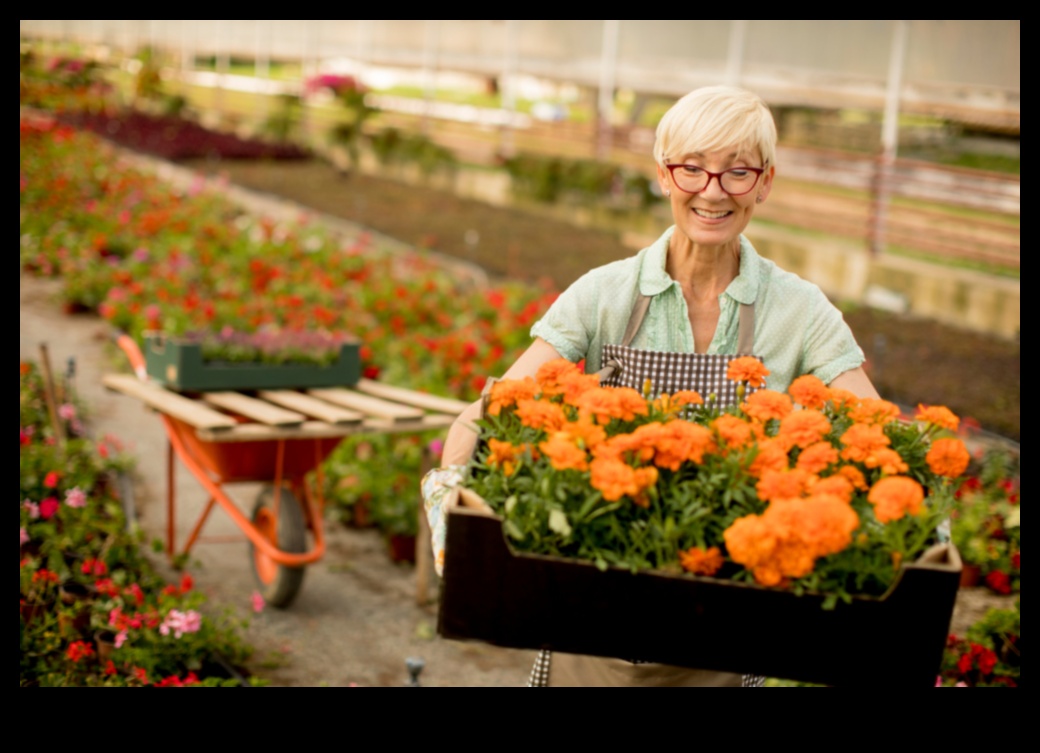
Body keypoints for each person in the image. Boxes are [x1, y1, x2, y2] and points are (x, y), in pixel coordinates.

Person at [422, 84, 880, 687]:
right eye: (692, 167)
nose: (712, 191)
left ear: (764, 182)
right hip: (592, 620)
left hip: (726, 629)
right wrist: (455, 513)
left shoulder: (799, 311)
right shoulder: (605, 293)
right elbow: (487, 413)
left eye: (736, 171)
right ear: (664, 176)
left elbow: (878, 432)